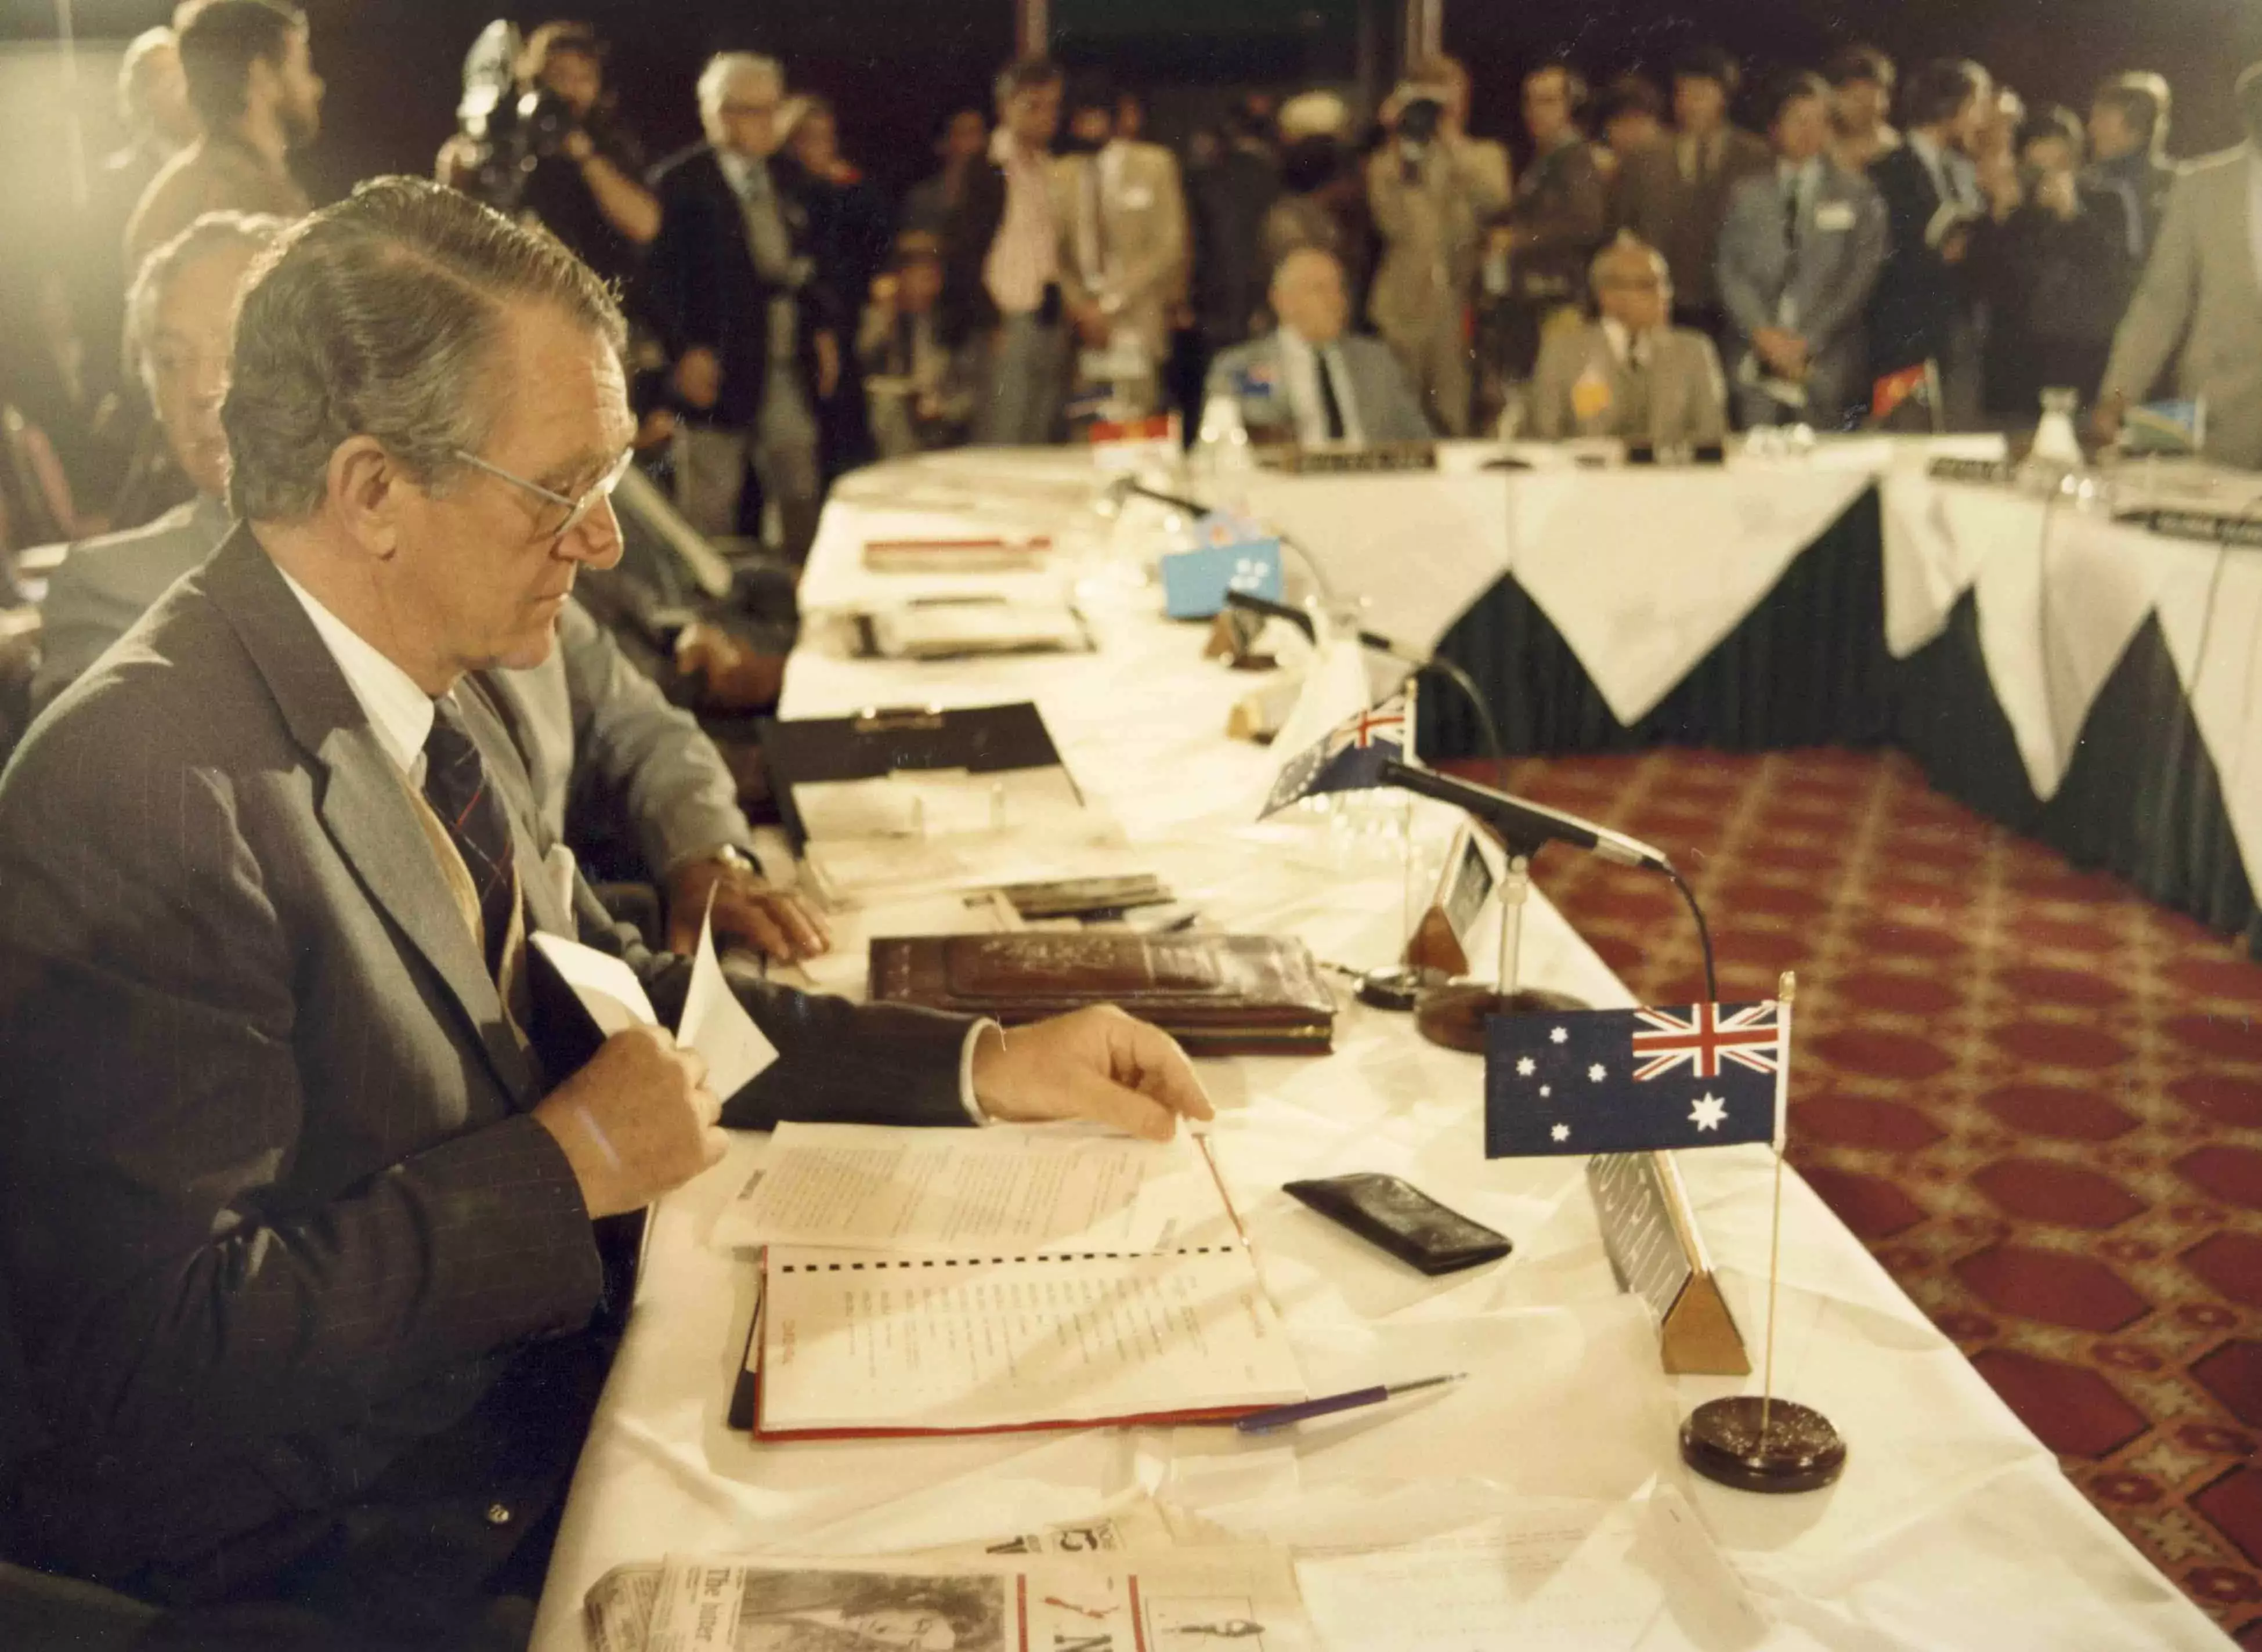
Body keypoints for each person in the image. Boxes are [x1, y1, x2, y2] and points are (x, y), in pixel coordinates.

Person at [0, 177, 1212, 1642]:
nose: (605, 543)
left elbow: (613, 997)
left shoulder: (422, 679)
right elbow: (144, 1368)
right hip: (357, 1563)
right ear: (373, 491)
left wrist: (975, 1063)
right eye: (559, 487)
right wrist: (560, 1163)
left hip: (520, 1416)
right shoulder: (139, 783)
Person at [27, 210, 831, 968]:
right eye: (173, 358)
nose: (209, 389)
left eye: (235, 351)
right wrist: (593, 1122)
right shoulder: (144, 666)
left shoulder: (462, 608)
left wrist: (705, 852)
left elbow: (634, 728)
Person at [645, 54, 839, 560]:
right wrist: (684, 351)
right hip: (717, 359)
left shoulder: (786, 176)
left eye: (773, 109)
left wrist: (819, 332)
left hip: (782, 358)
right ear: (722, 113)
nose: (769, 123)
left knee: (798, 479)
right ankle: (710, 616)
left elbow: (808, 260)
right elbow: (660, 280)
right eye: (756, 111)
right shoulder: (680, 183)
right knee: (710, 498)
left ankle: (792, 593)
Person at [2097, 63, 2262, 468]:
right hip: (2222, 419)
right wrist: (2118, 397)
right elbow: (2160, 303)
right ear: (2248, 118)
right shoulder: (2202, 187)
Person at [1715, 70, 1888, 430]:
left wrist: (1806, 342)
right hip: (1755, 357)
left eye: (1820, 121)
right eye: (1798, 120)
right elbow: (1728, 270)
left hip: (1825, 360)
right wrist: (1763, 334)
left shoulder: (1858, 196)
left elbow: (1859, 278)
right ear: (1775, 127)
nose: (1810, 131)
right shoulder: (1745, 195)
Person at [436, 21, 657, 292]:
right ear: (534, 79)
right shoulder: (505, 135)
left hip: (600, 294)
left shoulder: (610, 142)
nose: (572, 90)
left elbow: (645, 226)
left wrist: (585, 156)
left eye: (584, 78)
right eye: (561, 76)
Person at [1365, 57, 1511, 435]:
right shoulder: (1390, 162)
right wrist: (1399, 140)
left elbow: (1495, 200)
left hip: (1457, 304)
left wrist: (1450, 140)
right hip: (1401, 305)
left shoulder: (1485, 154)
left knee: (1452, 412)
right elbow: (1390, 223)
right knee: (1395, 410)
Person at [124, 0, 320, 273]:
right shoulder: (221, 200)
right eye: (302, 67)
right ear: (262, 75)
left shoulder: (242, 180)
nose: (316, 87)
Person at [1865, 59, 2002, 431]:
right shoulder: (1885, 172)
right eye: (1977, 105)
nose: (1981, 119)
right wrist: (1935, 256)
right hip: (1904, 337)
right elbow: (1878, 258)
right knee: (1905, 440)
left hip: (1960, 332)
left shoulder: (1965, 171)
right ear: (1949, 107)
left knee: (1958, 438)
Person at [939, 56, 1070, 446]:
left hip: (1047, 314)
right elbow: (962, 250)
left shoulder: (1051, 168)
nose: (1045, 117)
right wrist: (987, 318)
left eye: (1051, 106)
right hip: (1005, 319)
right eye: (1033, 105)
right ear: (1005, 107)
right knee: (1002, 431)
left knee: (1039, 430)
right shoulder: (987, 167)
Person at [1050, 78, 1191, 418]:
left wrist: (1111, 304)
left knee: (1137, 420)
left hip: (1136, 315)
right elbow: (1057, 254)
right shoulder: (1061, 174)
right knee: (1087, 420)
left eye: (1094, 116)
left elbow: (1169, 246)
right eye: (1080, 119)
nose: (1087, 126)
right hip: (1085, 324)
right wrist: (1082, 307)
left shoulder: (1154, 164)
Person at [1611, 45, 1770, 339]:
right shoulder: (1645, 157)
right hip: (1663, 306)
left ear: (1723, 96)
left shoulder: (1756, 158)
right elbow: (1623, 228)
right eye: (1683, 93)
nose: (1691, 104)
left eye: (1701, 93)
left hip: (1732, 311)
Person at [1984, 106, 2135, 414]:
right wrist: (1999, 220)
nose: (2049, 177)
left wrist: (2073, 216)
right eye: (2038, 168)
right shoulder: (2011, 207)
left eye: (2061, 165)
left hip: (2082, 356)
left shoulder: (2107, 199)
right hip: (2017, 364)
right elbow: (1984, 283)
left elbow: (2118, 271)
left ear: (2077, 160)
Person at [1204, 247, 1433, 445]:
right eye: (1320, 289)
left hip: (1369, 485)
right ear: (1283, 301)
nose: (1337, 301)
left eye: (1340, 288)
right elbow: (1224, 442)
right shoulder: (1243, 367)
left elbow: (1422, 440)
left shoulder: (1377, 362)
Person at [780, 93, 893, 476]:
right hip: (803, 329)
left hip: (845, 321)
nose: (820, 147)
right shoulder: (783, 193)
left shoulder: (847, 190)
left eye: (826, 137)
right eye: (808, 137)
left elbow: (875, 245)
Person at [1529, 234, 1726, 446]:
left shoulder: (1694, 350)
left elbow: (1712, 435)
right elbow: (1545, 437)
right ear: (1608, 295)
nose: (1665, 295)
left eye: (1665, 284)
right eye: (1649, 285)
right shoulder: (1563, 352)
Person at [1488, 62, 1610, 394]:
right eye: (1530, 101)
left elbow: (1585, 222)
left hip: (1557, 301)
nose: (1534, 111)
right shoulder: (1546, 158)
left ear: (1571, 106)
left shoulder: (1574, 157)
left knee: (1557, 390)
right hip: (1532, 302)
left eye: (1547, 101)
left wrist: (1518, 240)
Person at [859, 232, 977, 457]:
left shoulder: (950, 323)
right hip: (894, 424)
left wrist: (943, 407)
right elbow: (867, 358)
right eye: (920, 277)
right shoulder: (882, 316)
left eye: (934, 277)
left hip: (942, 426)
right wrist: (886, 315)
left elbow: (970, 389)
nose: (929, 288)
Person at [1190, 98, 1281, 357]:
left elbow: (1196, 245)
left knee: (1228, 385)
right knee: (1260, 385)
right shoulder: (1279, 178)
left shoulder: (1207, 180)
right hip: (1265, 305)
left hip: (1217, 308)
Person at [2084, 73, 2178, 265]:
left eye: (2102, 118)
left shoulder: (2178, 186)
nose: (2092, 128)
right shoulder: (2086, 186)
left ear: (2137, 123)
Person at [901, 107, 988, 237]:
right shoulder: (923, 200)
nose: (976, 143)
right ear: (942, 144)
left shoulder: (997, 195)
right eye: (965, 134)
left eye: (979, 134)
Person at [1825, 45, 1901, 173]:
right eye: (1857, 99)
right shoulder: (1819, 143)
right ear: (1835, 95)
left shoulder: (1893, 148)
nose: (1863, 111)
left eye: (1870, 102)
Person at [1593, 73, 1667, 186]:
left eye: (1640, 121)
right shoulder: (1594, 171)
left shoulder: (1672, 170)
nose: (1633, 132)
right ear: (1607, 128)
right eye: (1624, 121)